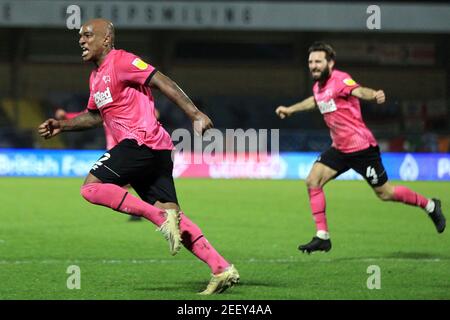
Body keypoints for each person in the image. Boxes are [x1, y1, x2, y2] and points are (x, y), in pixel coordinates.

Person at [38, 18, 239, 294]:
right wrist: (63, 125)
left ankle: (158, 217)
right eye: (80, 37)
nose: (81, 41)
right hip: (154, 149)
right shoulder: (96, 77)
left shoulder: (123, 62)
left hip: (142, 142)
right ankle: (221, 268)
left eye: (87, 36)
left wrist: (194, 113)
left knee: (91, 188)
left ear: (106, 39)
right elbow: (95, 116)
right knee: (175, 216)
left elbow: (162, 80)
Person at [275, 42, 446, 254]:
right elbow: (314, 101)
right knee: (312, 180)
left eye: (318, 61)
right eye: (310, 62)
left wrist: (374, 94)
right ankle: (322, 236)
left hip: (361, 148)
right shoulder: (318, 87)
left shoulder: (340, 79)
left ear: (330, 63)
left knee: (385, 193)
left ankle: (430, 205)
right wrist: (291, 110)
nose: (313, 66)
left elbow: (359, 90)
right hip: (339, 149)